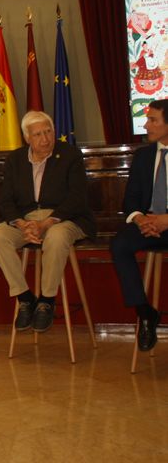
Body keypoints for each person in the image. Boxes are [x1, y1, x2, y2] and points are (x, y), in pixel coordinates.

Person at [0, 111, 95, 333]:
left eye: (48, 132)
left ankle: (46, 301)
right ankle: (25, 298)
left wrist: (45, 224)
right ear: (27, 137)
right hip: (27, 221)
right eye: (38, 134)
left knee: (56, 236)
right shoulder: (15, 159)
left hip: (64, 218)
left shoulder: (70, 155)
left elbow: (77, 198)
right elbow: (5, 200)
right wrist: (22, 224)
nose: (45, 139)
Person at [111, 99, 168, 351]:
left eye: (153, 120)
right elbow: (131, 199)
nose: (146, 125)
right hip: (148, 223)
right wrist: (140, 219)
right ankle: (145, 312)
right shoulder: (143, 156)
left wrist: (166, 220)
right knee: (119, 244)